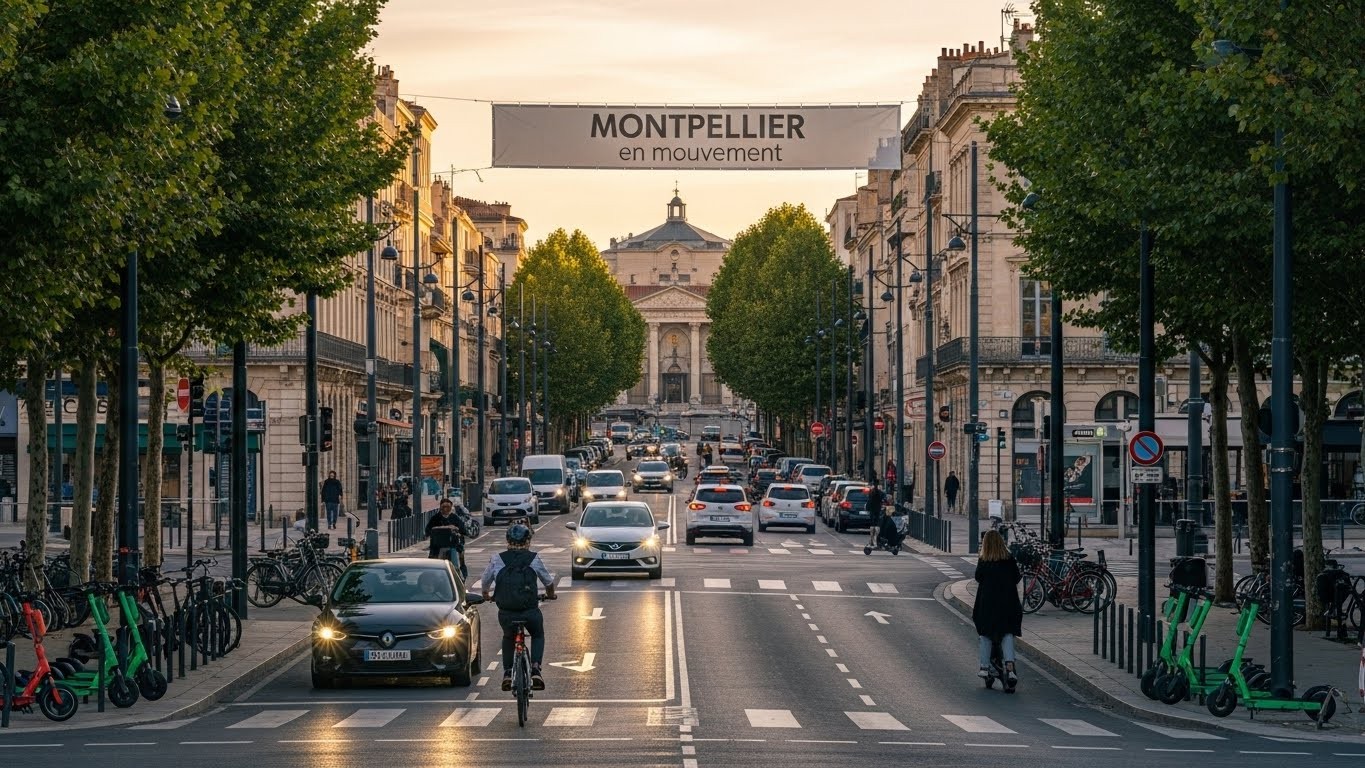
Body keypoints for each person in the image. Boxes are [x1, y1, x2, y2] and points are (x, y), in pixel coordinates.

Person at [481, 522, 556, 692]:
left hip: (506, 612)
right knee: (537, 634)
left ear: (507, 540)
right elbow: (548, 582)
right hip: (530, 611)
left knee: (508, 637)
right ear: (528, 541)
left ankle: (508, 673)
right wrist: (550, 594)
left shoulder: (497, 559)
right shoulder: (533, 558)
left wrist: (487, 595)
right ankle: (536, 668)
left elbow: (485, 582)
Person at [972, 529, 1022, 683]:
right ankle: (1010, 667)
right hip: (1008, 602)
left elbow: (978, 577)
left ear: (985, 544)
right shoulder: (1009, 558)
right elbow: (1017, 577)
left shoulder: (984, 560)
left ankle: (984, 667)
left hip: (988, 604)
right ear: (1001, 542)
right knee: (1007, 634)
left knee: (986, 634)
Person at [426, 498, 472, 579]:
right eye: (444, 507)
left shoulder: (455, 518)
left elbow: (463, 530)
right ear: (440, 507)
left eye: (448, 506)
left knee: (458, 561)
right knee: (433, 566)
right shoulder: (435, 518)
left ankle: (460, 577)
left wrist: (456, 529)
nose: (446, 509)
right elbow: (427, 530)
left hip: (453, 546)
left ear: (451, 507)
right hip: (437, 547)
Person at [864, 477, 885, 546]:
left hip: (872, 510)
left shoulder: (871, 492)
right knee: (877, 524)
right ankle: (875, 539)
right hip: (877, 509)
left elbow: (869, 501)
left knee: (872, 524)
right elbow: (883, 499)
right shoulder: (880, 492)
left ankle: (872, 539)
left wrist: (868, 507)